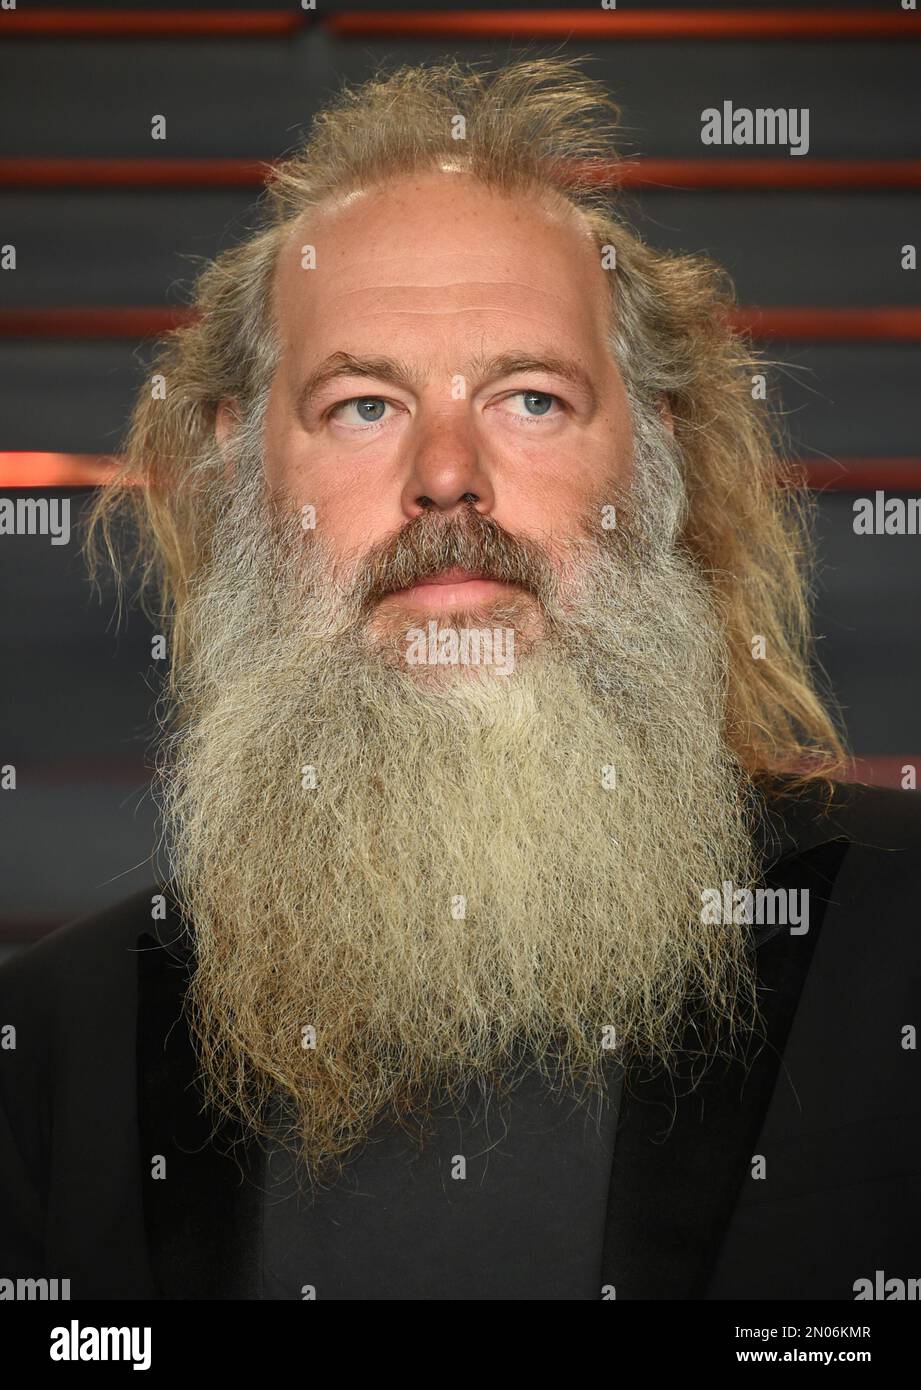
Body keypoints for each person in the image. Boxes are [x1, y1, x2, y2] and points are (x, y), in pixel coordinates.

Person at [1, 55, 919, 1301]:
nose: (447, 475)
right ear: (235, 468)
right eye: (365, 406)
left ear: (655, 460)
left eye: (531, 398)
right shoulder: (49, 1056)